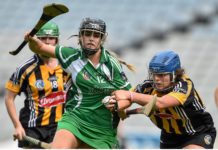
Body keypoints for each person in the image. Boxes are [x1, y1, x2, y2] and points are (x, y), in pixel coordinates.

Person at [24, 17, 133, 148]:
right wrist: (31, 39)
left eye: (96, 35)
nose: (91, 38)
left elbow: (129, 96)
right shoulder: (71, 56)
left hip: (102, 130)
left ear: (102, 39)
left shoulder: (112, 65)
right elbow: (40, 47)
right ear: (80, 36)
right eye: (87, 34)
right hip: (74, 120)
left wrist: (118, 105)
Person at [108, 50, 217, 149]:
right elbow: (126, 99)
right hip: (169, 135)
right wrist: (117, 105)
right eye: (154, 75)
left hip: (197, 132)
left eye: (162, 75)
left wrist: (130, 95)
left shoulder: (184, 85)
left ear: (174, 75)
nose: (157, 80)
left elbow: (161, 103)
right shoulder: (148, 86)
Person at [5, 21, 70, 148]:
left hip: (59, 127)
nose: (47, 42)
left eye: (51, 38)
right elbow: (9, 98)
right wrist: (17, 126)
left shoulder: (67, 66)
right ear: (37, 41)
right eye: (43, 38)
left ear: (56, 41)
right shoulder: (25, 69)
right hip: (32, 129)